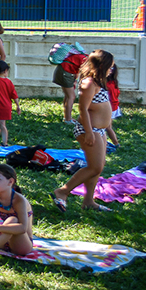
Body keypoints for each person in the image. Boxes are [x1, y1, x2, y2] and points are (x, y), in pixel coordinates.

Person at [52, 50, 115, 212]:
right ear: (101, 66)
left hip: (98, 130)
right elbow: (83, 109)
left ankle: (88, 201)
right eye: (110, 67)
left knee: (98, 166)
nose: (112, 70)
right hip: (89, 129)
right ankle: (63, 191)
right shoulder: (88, 83)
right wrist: (88, 132)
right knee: (94, 167)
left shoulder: (98, 83)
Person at [105, 64, 121, 147]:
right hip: (114, 107)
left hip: (109, 108)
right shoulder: (113, 82)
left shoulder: (106, 84)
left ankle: (116, 144)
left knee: (107, 127)